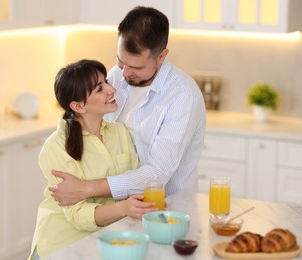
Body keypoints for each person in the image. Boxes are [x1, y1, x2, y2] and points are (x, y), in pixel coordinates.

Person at [49, 6, 206, 206]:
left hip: (167, 210)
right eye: (121, 62)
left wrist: (86, 188)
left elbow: (156, 174)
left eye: (136, 67)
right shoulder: (116, 75)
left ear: (162, 56)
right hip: (116, 211)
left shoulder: (183, 96)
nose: (124, 74)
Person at [29, 59, 156, 259]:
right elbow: (78, 215)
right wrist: (124, 207)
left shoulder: (119, 132)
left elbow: (134, 184)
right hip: (62, 247)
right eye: (100, 89)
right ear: (78, 106)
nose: (112, 89)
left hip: (107, 241)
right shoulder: (56, 147)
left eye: (106, 81)